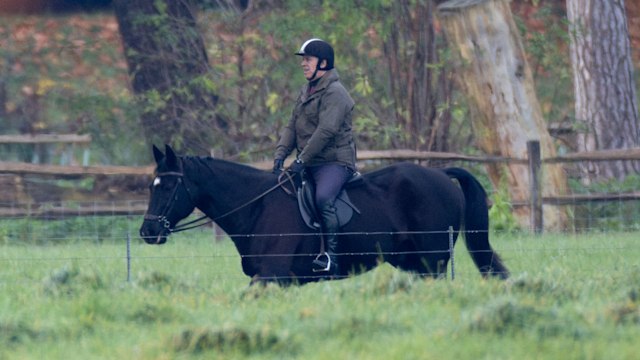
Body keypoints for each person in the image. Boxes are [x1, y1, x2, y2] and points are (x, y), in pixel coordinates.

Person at [273, 38, 357, 276]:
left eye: (307, 59)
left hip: (335, 163)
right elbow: (291, 127)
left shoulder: (336, 93)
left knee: (322, 199)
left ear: (323, 63)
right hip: (311, 162)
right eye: (303, 60)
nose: (303, 64)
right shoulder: (307, 91)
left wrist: (301, 160)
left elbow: (326, 131)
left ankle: (331, 257)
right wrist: (280, 155)